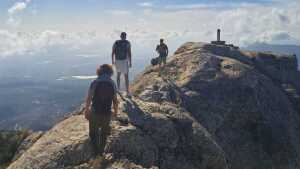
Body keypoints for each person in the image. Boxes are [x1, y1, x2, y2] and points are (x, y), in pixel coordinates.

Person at [84, 64, 119, 155]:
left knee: (93, 134)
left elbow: (89, 98)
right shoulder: (112, 83)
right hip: (107, 113)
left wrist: (87, 110)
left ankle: (95, 153)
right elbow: (115, 101)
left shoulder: (95, 82)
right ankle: (101, 152)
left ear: (99, 72)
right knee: (104, 134)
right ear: (110, 72)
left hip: (95, 112)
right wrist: (115, 112)